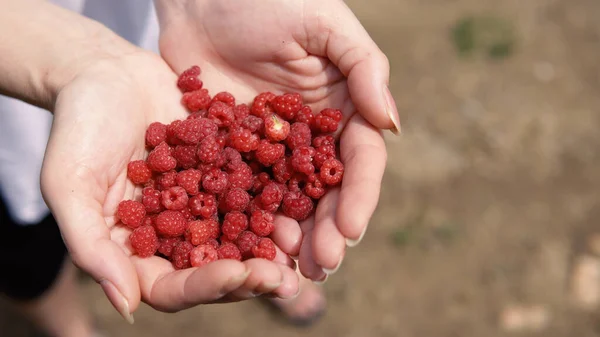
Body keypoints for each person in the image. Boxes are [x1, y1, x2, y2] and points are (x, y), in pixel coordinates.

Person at [0, 0, 399, 336]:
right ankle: (70, 327)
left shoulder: (239, 155)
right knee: (26, 243)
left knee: (272, 263)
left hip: (154, 37)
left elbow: (240, 183)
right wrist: (71, 64)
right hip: (19, 80)